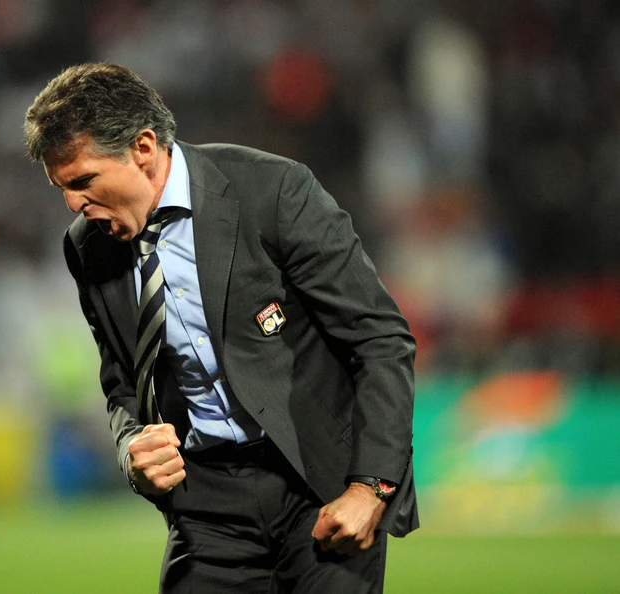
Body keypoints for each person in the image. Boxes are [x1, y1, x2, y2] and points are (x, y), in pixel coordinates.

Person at [24, 63, 418, 593]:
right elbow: (121, 382)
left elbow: (380, 340)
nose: (73, 204)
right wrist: (132, 449)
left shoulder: (272, 191)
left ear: (143, 148)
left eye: (83, 181)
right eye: (62, 188)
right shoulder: (87, 246)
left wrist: (371, 486)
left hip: (319, 482)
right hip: (208, 503)